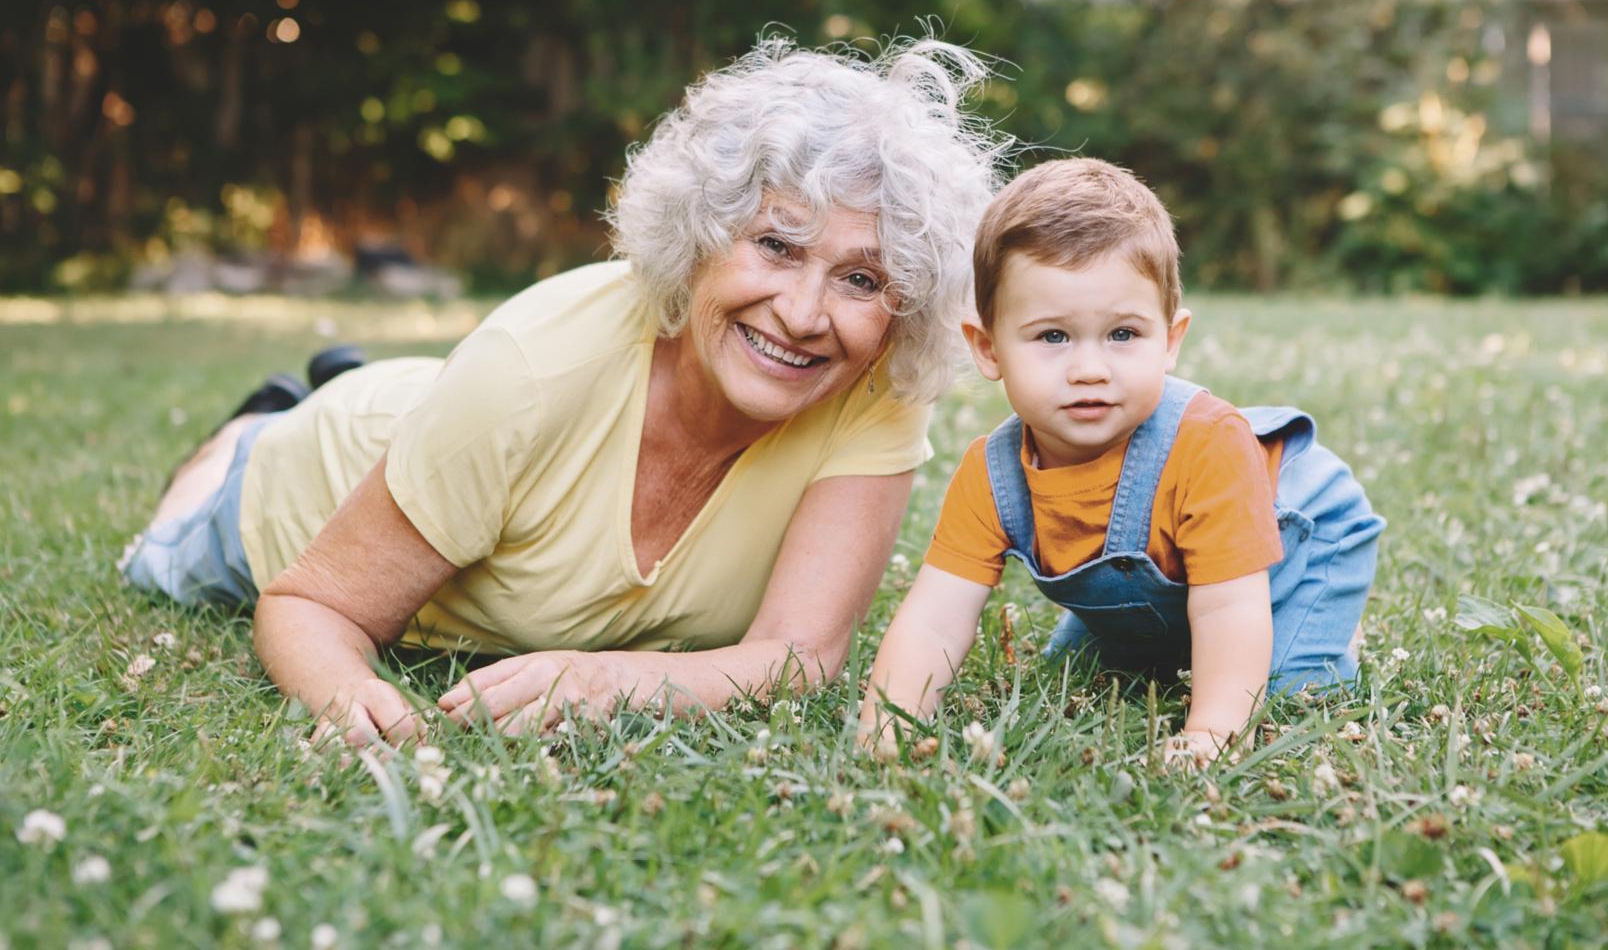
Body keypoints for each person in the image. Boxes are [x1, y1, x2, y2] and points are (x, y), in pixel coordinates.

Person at [123, 37, 1004, 745]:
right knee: (166, 548)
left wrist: (609, 679)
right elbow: (308, 603)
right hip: (308, 480)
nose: (807, 314)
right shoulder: (535, 366)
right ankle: (248, 428)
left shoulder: (875, 383)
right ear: (699, 235)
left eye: (860, 280)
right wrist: (351, 696)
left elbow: (801, 655)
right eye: (775, 246)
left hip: (463, 431)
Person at [858, 158, 1384, 766]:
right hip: (1188, 577)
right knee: (1075, 676)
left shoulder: (1207, 445)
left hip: (1299, 549)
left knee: (1290, 682)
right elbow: (934, 617)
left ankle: (1329, 624)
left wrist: (1209, 735)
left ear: (1171, 340)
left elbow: (1228, 605)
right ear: (987, 347)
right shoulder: (992, 473)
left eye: (1123, 335)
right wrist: (886, 726)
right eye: (1052, 336)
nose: (1090, 369)